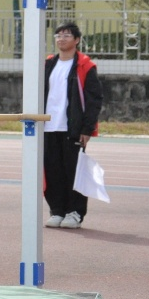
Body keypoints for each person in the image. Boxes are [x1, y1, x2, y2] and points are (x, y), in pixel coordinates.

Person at [43, 21, 104, 231]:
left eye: (67, 35)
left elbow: (94, 100)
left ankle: (75, 212)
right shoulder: (48, 65)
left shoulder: (85, 66)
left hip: (72, 129)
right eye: (58, 35)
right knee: (52, 171)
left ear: (77, 40)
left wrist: (87, 129)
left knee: (74, 172)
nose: (61, 39)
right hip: (48, 127)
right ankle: (57, 210)